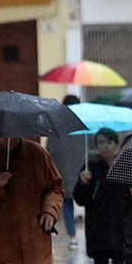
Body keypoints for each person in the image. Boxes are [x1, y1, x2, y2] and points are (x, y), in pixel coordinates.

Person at [73, 128, 131, 264]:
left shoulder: (125, 168)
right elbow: (80, 198)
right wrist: (83, 183)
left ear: (116, 144)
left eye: (108, 142)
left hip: (120, 229)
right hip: (98, 229)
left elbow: (131, 200)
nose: (104, 147)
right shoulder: (91, 168)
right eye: (100, 143)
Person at [46, 95, 86, 245]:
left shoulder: (57, 128)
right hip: (82, 173)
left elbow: (49, 150)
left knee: (67, 204)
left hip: (64, 173)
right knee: (87, 202)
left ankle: (72, 236)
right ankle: (85, 235)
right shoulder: (84, 127)